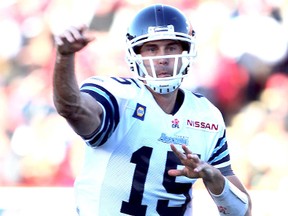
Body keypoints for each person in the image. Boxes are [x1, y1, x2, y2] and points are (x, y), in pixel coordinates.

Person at [53, 4, 252, 216]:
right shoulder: (116, 95)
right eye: (151, 48)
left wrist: (215, 179)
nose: (163, 58)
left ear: (186, 51)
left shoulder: (206, 115)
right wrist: (64, 58)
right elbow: (71, 108)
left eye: (171, 47)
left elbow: (242, 212)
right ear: (135, 54)